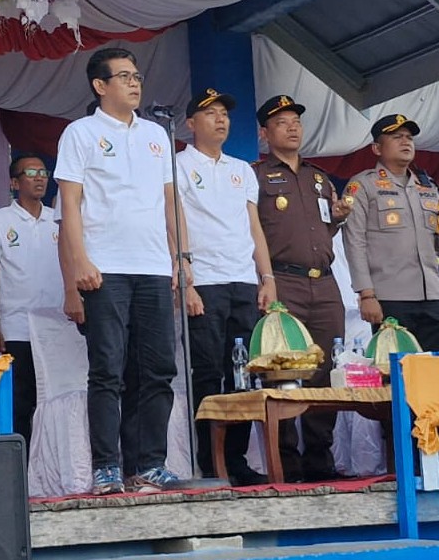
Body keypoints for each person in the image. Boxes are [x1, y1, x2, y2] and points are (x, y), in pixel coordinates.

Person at [55, 47, 182, 495]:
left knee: (158, 369)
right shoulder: (81, 133)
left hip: (153, 267)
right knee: (108, 369)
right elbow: (70, 203)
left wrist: (180, 258)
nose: (134, 83)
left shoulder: (156, 135)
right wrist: (80, 262)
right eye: (124, 76)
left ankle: (150, 463)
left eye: (137, 76)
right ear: (100, 85)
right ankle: (107, 466)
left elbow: (169, 202)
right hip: (105, 268)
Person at [176, 88, 274, 486]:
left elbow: (254, 227)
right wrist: (185, 279)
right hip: (205, 281)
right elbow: (174, 221)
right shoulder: (178, 165)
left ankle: (237, 461)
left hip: (243, 281)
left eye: (225, 114)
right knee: (207, 372)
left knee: (243, 374)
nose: (221, 120)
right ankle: (210, 461)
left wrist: (267, 278)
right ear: (190, 123)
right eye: (210, 113)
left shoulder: (242, 169)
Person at [252, 94, 350, 482]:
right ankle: (286, 463)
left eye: (296, 121)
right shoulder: (256, 176)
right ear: (264, 133)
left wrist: (337, 218)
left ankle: (320, 459)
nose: (292, 128)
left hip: (324, 282)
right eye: (282, 122)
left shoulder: (319, 178)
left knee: (326, 368)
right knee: (282, 370)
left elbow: (323, 230)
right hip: (283, 281)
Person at [342, 114, 439, 352]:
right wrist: (366, 294)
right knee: (395, 367)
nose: (406, 142)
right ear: (377, 148)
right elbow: (354, 242)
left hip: (433, 295)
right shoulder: (362, 185)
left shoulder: (428, 187)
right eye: (396, 137)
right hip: (390, 296)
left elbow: (438, 246)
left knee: (434, 367)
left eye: (409, 137)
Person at [0, 156, 63, 448]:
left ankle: (50, 463)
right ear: (14, 182)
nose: (39, 178)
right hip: (18, 325)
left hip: (58, 326)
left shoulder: (58, 219)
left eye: (43, 172)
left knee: (56, 401)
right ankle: (22, 462)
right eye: (30, 172)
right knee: (21, 399)